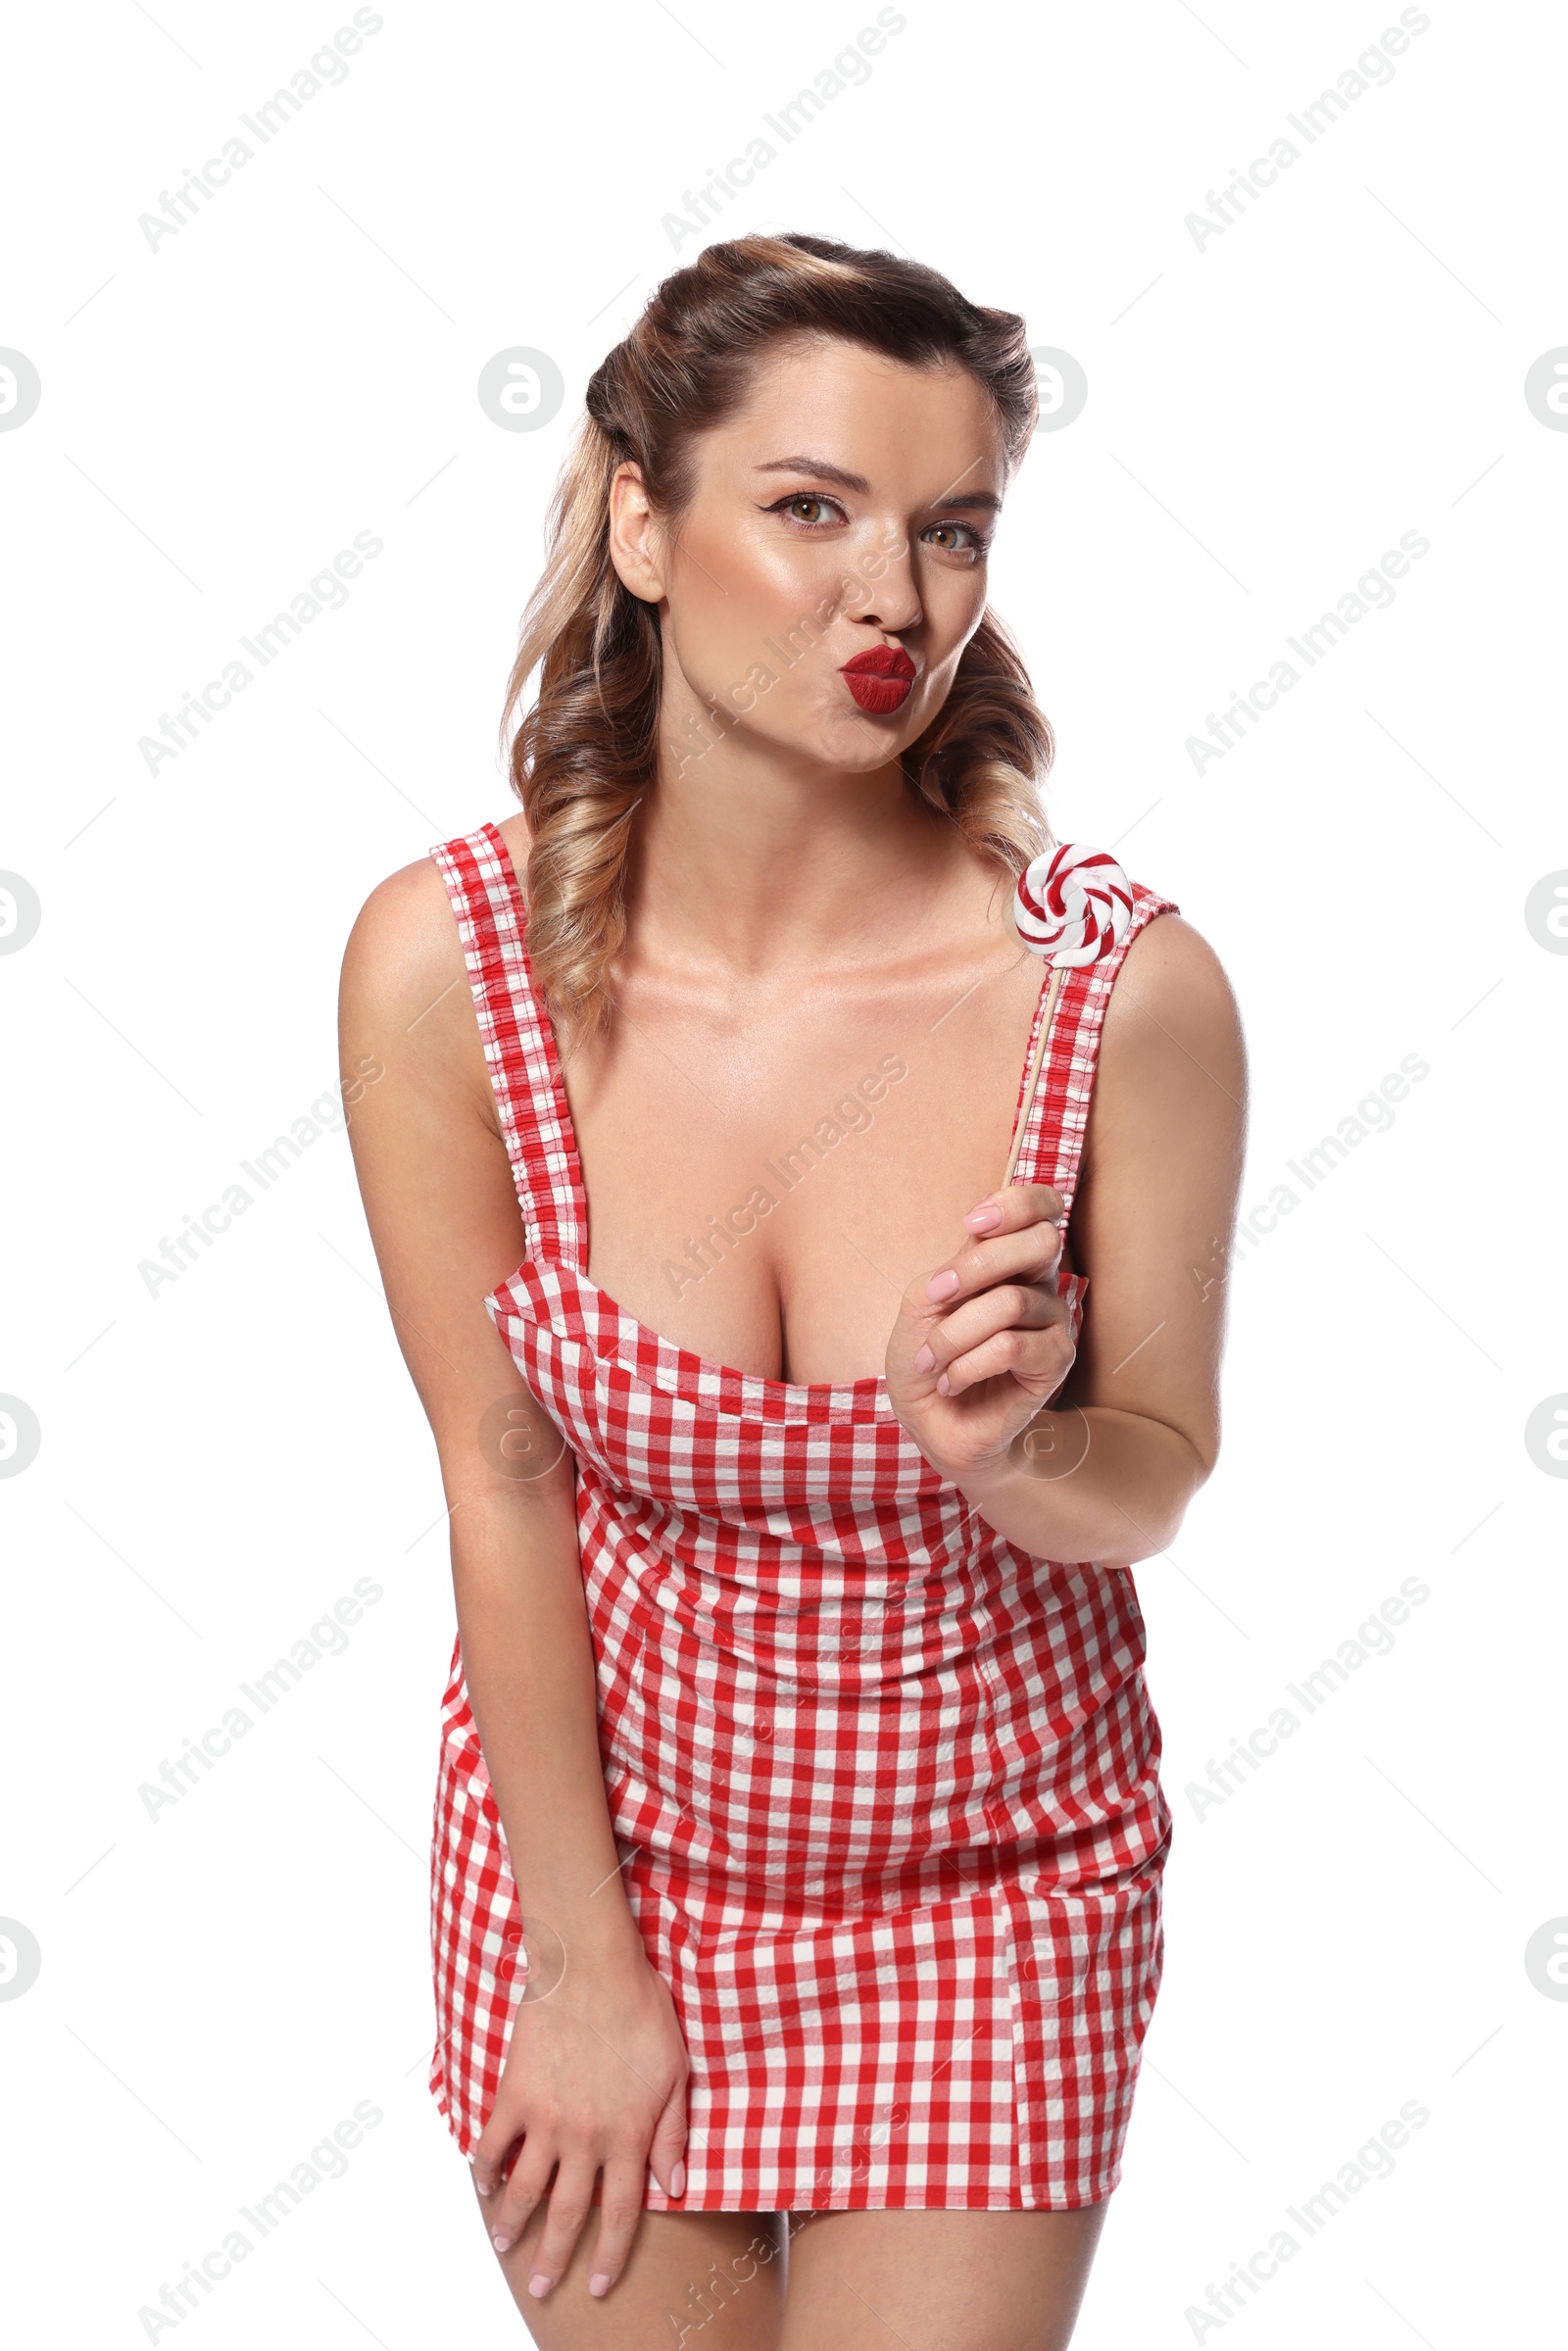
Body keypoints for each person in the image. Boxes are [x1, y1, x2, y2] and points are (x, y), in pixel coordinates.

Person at [339, 231, 1245, 2349]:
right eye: (810, 508)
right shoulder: (442, 970)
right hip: (598, 1879)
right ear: (643, 526)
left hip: (989, 1901)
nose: (892, 599)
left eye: (948, 531)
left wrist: (1022, 1452)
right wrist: (582, 1972)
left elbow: (1161, 1475)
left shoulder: (1116, 996)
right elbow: (503, 1489)